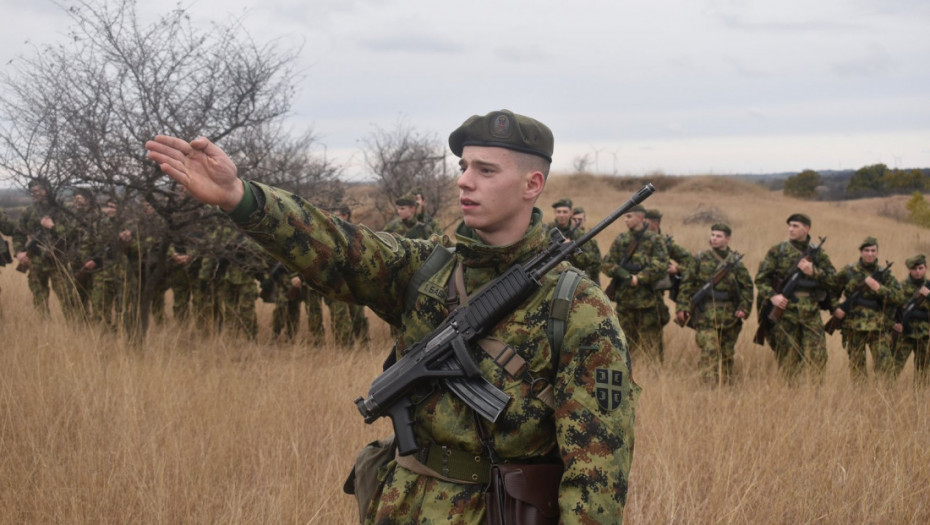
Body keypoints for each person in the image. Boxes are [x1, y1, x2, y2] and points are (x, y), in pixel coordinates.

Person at [146, 108, 637, 524]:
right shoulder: (425, 268)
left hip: (494, 510)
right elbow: (339, 248)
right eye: (464, 166)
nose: (464, 180)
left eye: (486, 171)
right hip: (400, 504)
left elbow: (597, 475)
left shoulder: (577, 307)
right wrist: (241, 198)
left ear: (532, 184)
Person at [755, 213, 837, 383]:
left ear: (806, 229)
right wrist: (773, 297)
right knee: (788, 359)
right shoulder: (777, 251)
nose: (790, 229)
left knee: (818, 356)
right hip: (785, 312)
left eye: (795, 226)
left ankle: (815, 396)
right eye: (790, 225)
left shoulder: (818, 254)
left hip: (811, 311)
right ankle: (790, 396)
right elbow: (761, 279)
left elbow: (834, 280)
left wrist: (813, 271)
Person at [675, 224, 753, 385]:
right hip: (705, 316)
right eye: (713, 235)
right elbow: (686, 285)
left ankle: (725, 386)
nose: (714, 239)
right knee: (710, 349)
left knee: (727, 353)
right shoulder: (700, 259)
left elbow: (747, 288)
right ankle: (707, 386)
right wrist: (682, 308)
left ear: (727, 239)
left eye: (718, 236)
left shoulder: (735, 263)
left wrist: (744, 309)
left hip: (729, 316)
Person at [602, 204, 670, 362]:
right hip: (625, 302)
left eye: (629, 216)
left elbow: (661, 265)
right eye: (625, 217)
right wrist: (622, 274)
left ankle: (652, 378)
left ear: (640, 218)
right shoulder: (621, 239)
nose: (625, 220)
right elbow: (606, 263)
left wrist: (639, 278)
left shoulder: (655, 240)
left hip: (648, 304)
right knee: (623, 345)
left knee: (650, 348)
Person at [829, 237, 903, 383]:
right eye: (866, 250)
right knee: (857, 367)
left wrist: (879, 288)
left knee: (885, 366)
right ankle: (859, 400)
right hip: (853, 326)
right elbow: (831, 291)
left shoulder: (885, 274)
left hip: (879, 327)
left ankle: (885, 399)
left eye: (873, 251)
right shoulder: (848, 271)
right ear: (861, 252)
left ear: (877, 252)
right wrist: (835, 309)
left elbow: (899, 298)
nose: (870, 254)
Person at [13, 178, 70, 317]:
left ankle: (75, 327)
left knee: (67, 297)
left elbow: (71, 233)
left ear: (47, 190)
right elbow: (18, 233)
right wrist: (19, 252)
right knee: (39, 297)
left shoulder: (60, 210)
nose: (35, 193)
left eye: (38, 190)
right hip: (35, 262)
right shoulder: (29, 211)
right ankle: (45, 327)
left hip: (57, 260)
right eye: (33, 191)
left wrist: (52, 227)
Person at [893, 254, 930, 385]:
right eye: (914, 269)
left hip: (925, 336)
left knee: (923, 374)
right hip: (904, 335)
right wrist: (895, 324)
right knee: (893, 369)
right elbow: (891, 309)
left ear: (926, 268)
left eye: (921, 268)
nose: (918, 271)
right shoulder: (900, 287)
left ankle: (918, 402)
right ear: (909, 269)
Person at [571, 206, 602, 285]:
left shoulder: (590, 241)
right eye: (574, 219)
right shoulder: (567, 237)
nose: (577, 222)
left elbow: (595, 264)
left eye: (580, 219)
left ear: (584, 220)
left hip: (586, 280)